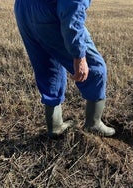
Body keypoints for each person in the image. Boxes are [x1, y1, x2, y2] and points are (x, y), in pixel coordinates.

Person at [14, 0, 115, 138]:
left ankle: (55, 127)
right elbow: (72, 13)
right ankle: (93, 124)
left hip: (23, 9)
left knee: (48, 66)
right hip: (48, 12)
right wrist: (79, 55)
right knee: (95, 69)